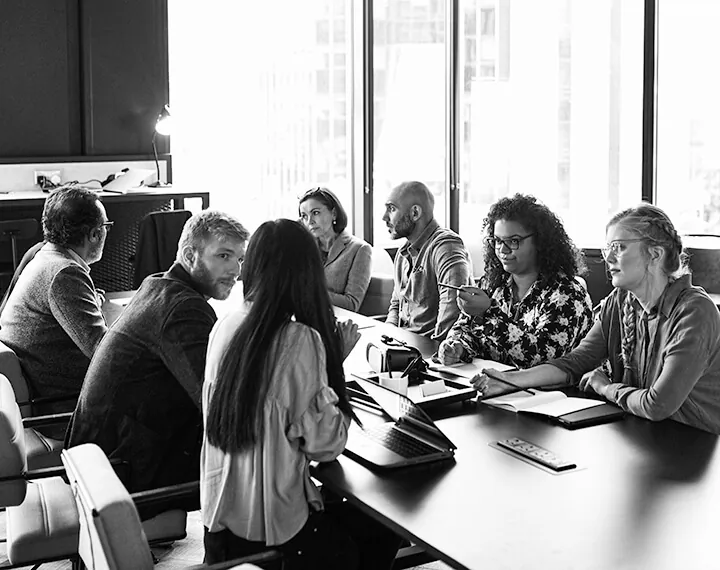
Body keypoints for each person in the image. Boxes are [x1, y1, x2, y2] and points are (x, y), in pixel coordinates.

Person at [202, 219, 401, 569]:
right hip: (276, 537)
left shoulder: (225, 325)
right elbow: (326, 445)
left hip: (222, 527)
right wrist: (331, 364)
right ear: (307, 275)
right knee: (383, 526)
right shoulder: (299, 340)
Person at [476, 204, 720, 434]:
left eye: (619, 247)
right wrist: (509, 380)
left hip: (693, 451)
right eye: (608, 249)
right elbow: (575, 362)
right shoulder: (620, 300)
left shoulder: (695, 311)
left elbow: (657, 405)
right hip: (640, 435)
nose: (609, 258)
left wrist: (605, 388)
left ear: (655, 254)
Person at [65, 210, 249, 507]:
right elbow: (217, 403)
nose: (236, 270)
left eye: (239, 259)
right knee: (253, 455)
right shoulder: (183, 308)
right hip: (118, 473)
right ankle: (233, 549)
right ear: (190, 255)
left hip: (96, 457)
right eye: (224, 256)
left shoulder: (157, 285)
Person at [438, 194, 593, 368]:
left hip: (553, 393)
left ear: (540, 242)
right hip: (496, 387)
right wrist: (457, 347)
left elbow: (540, 358)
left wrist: (488, 312)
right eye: (497, 241)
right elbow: (465, 329)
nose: (502, 250)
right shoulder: (493, 284)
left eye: (513, 241)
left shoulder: (568, 294)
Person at [0, 187, 109, 414]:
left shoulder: (44, 256)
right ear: (94, 234)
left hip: (42, 391)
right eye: (106, 227)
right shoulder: (65, 273)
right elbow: (104, 351)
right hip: (62, 405)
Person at [382, 180, 472, 341]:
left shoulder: (446, 247)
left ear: (415, 213)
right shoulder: (403, 253)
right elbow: (396, 304)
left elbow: (453, 314)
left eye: (392, 209)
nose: (384, 217)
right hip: (403, 346)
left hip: (430, 354)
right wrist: (388, 335)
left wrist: (436, 356)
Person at [299, 187, 372, 311]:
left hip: (338, 322)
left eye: (315, 213)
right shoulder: (303, 248)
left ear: (334, 213)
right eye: (304, 216)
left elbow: (352, 304)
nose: (310, 221)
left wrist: (311, 294)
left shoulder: (360, 249)